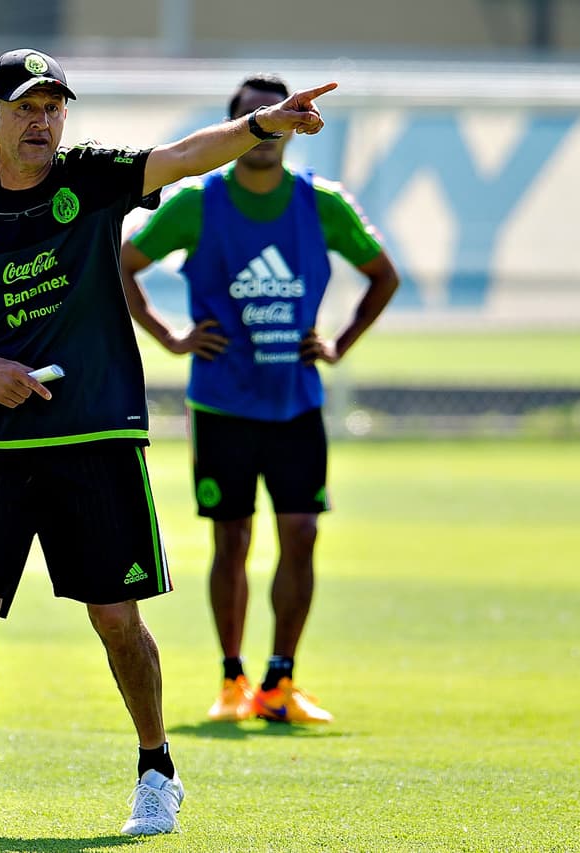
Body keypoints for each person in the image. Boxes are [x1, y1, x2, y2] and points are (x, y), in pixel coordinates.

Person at [0, 50, 336, 837]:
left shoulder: (90, 178)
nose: (44, 120)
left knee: (116, 617)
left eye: (55, 106)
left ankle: (157, 768)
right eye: (27, 107)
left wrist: (264, 122)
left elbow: (189, 154)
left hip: (96, 436)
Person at [120, 73, 399, 726]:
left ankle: (281, 679)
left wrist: (340, 343)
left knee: (300, 534)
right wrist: (170, 337)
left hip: (296, 402)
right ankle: (232, 677)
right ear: (234, 127)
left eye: (276, 116)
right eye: (253, 116)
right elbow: (123, 265)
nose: (266, 127)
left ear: (293, 129)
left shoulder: (320, 203)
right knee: (232, 540)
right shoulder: (196, 203)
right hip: (222, 404)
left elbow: (383, 274)